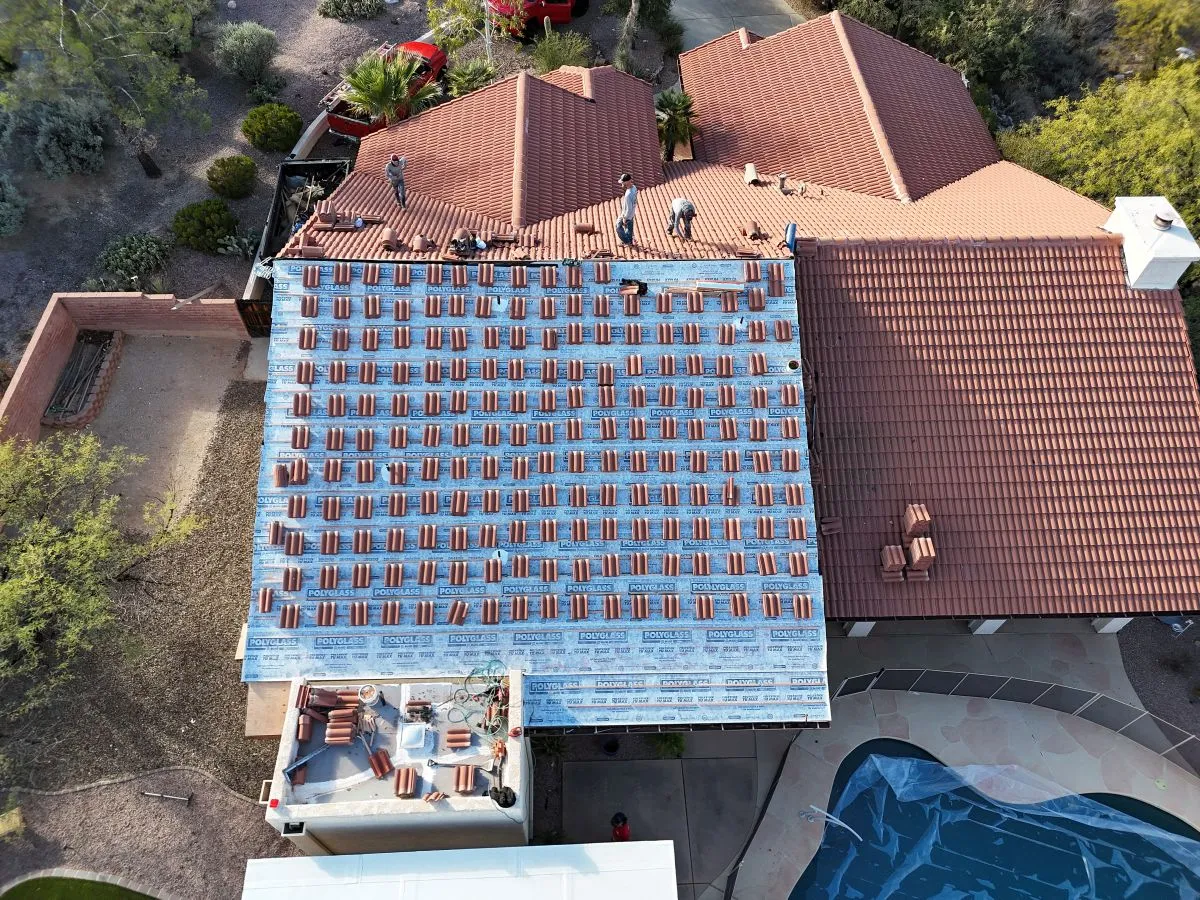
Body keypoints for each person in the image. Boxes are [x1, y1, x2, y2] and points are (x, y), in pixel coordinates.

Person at [614, 173, 637, 245]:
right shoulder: (634, 188)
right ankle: (629, 240)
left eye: (623, 182)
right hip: (632, 213)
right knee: (629, 228)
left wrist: (624, 218)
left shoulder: (628, 194)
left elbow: (628, 208)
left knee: (618, 226)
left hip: (627, 214)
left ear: (627, 182)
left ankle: (626, 241)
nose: (622, 183)